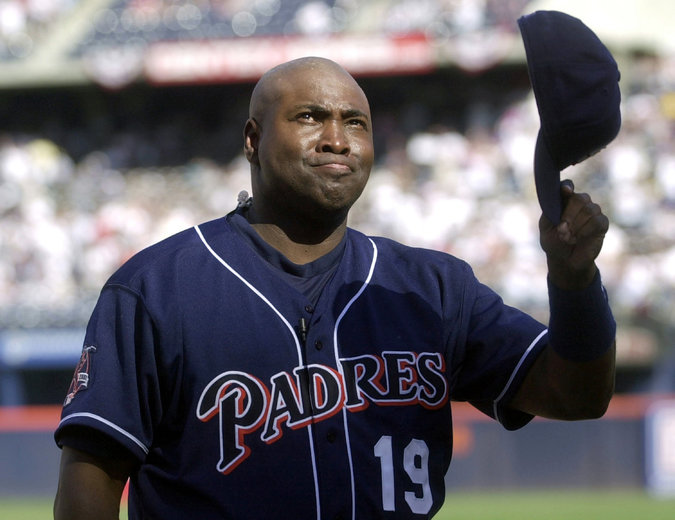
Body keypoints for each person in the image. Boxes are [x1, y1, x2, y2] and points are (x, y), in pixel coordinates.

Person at [53, 57, 616, 520]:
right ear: (252, 139)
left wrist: (575, 281)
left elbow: (576, 396)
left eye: (355, 123)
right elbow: (89, 486)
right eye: (310, 117)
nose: (337, 140)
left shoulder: (433, 289)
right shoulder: (156, 288)